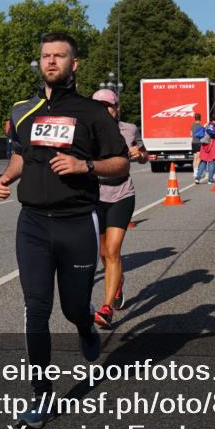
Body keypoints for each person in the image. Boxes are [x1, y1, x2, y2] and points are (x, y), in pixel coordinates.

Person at [0, 32, 130, 428]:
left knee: (72, 307)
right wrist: (6, 178)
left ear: (75, 64)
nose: (50, 61)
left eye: (59, 56)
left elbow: (120, 164)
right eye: (45, 56)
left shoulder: (92, 114)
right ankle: (41, 395)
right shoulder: (23, 109)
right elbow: (21, 153)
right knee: (35, 310)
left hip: (76, 224)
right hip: (32, 224)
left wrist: (84, 167)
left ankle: (86, 325)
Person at [90, 89, 148, 329]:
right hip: (95, 195)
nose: (105, 110)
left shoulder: (129, 129)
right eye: (99, 106)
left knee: (113, 250)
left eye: (109, 106)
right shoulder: (85, 129)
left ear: (117, 107)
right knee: (103, 252)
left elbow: (144, 155)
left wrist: (140, 154)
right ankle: (119, 282)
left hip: (122, 193)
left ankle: (106, 308)